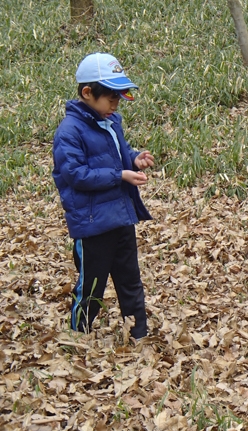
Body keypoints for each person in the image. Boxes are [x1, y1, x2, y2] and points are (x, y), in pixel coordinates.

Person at [52, 52, 154, 339]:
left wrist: (133, 160)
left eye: (119, 98)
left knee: (130, 282)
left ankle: (138, 337)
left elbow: (118, 156)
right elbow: (75, 175)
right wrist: (119, 175)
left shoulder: (111, 121)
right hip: (93, 224)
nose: (115, 104)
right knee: (91, 288)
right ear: (87, 93)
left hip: (121, 217)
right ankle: (77, 337)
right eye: (111, 98)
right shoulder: (69, 132)